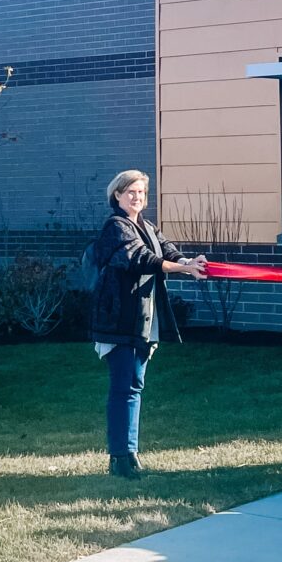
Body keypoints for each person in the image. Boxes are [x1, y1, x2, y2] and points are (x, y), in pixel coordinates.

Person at [90, 170, 207, 479]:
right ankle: (119, 457)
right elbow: (141, 259)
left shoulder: (147, 226)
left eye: (141, 192)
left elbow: (167, 250)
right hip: (119, 321)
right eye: (131, 192)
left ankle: (130, 453)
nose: (137, 197)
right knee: (123, 387)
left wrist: (189, 263)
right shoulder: (116, 227)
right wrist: (183, 270)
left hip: (143, 319)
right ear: (117, 195)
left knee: (134, 386)